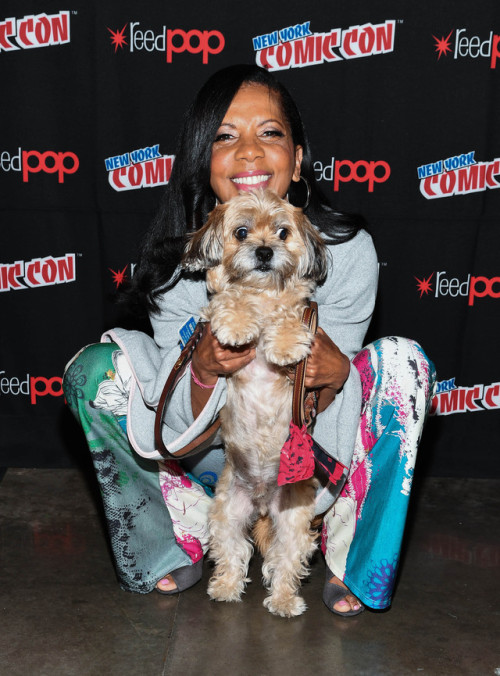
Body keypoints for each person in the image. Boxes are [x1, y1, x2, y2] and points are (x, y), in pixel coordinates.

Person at [63, 64, 436, 616]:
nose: (250, 154)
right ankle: (180, 538)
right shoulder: (175, 268)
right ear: (201, 160)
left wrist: (324, 367)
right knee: (93, 372)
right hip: (210, 456)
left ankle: (348, 547)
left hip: (306, 454)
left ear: (299, 157)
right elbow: (175, 422)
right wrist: (205, 369)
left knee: (404, 362)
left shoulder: (349, 251)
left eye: (270, 133)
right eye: (225, 136)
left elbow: (337, 395)